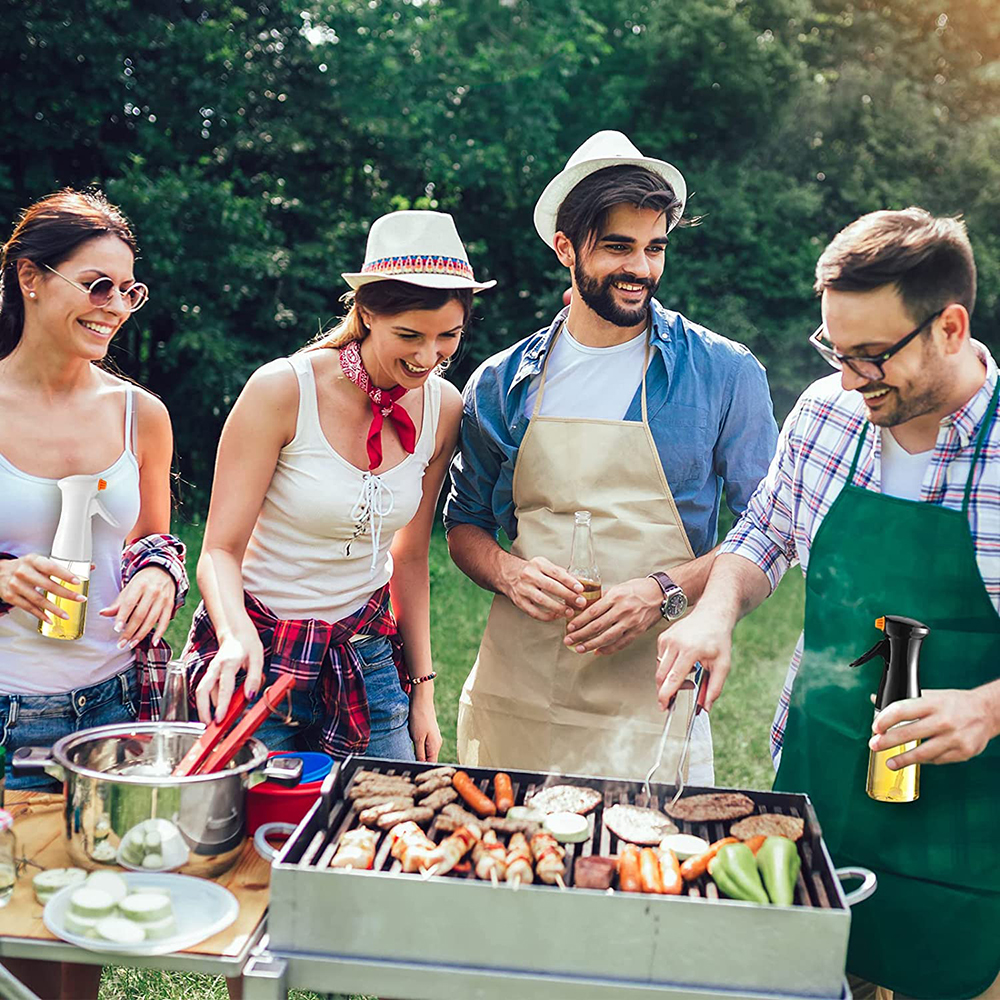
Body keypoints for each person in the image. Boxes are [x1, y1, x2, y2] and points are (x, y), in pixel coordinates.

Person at [656, 208, 1000, 999]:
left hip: (978, 818)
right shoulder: (826, 414)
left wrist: (985, 708)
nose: (849, 379)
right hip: (824, 779)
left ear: (950, 327)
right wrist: (713, 613)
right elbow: (765, 533)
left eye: (872, 355)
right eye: (834, 351)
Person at [445, 131, 777, 781]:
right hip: (518, 700)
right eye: (618, 247)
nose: (642, 268)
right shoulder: (499, 382)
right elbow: (464, 528)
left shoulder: (723, 373)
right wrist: (510, 575)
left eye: (655, 248)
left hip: (654, 699)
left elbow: (772, 530)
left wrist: (662, 593)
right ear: (566, 247)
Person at [186, 211, 493, 763]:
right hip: (259, 650)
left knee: (382, 826)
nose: (428, 357)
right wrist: (234, 638)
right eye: (410, 336)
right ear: (367, 313)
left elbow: (412, 557)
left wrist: (422, 692)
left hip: (363, 657)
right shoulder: (283, 390)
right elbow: (218, 551)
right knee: (251, 837)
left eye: (448, 336)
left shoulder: (443, 408)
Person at [0, 190, 188, 999]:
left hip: (115, 704)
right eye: (96, 284)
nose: (115, 306)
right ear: (31, 278)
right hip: (11, 708)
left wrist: (155, 571)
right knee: (16, 926)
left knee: (90, 926)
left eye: (128, 290)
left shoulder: (140, 415)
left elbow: (155, 539)